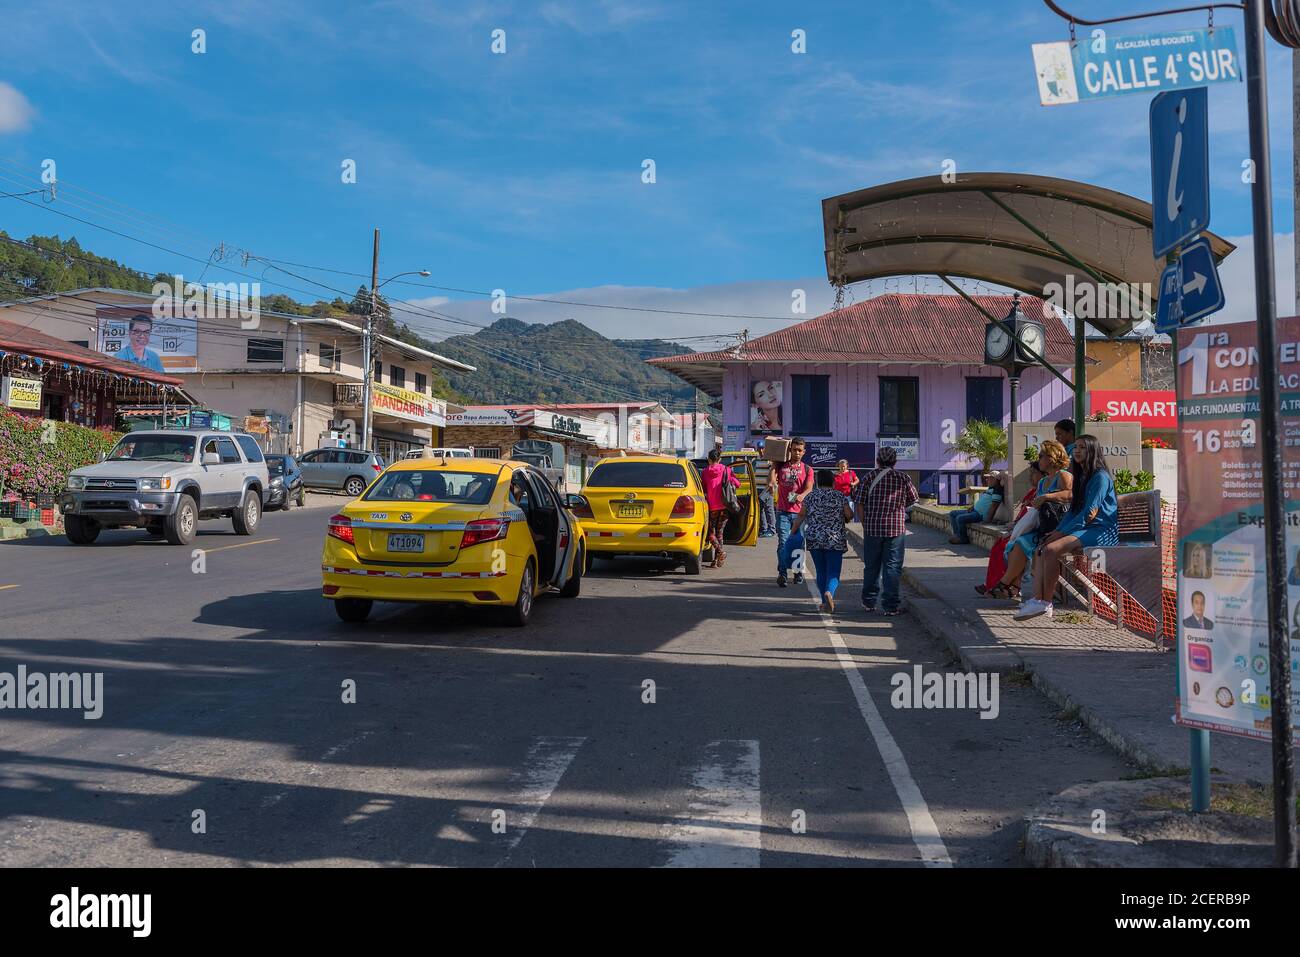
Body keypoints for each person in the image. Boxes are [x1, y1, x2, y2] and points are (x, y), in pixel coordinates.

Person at [1015, 434, 1118, 621]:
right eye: (1076, 447)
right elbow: (1073, 511)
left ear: (1093, 451)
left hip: (1101, 530)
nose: (1077, 451)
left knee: (1052, 549)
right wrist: (1057, 531)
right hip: (1085, 528)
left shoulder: (1100, 477)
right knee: (1041, 548)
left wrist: (1062, 533)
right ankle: (1038, 600)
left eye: (1083, 447)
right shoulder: (1082, 477)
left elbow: (1090, 512)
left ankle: (1046, 603)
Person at [987, 441, 1073, 599]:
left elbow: (1070, 494)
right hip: (1043, 526)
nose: (1039, 460)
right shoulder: (1042, 482)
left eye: (1041, 456)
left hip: (1060, 527)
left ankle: (1005, 584)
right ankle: (1010, 585)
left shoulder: (1063, 475)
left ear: (1051, 457)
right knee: (1017, 544)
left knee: (1023, 545)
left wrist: (1047, 497)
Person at [855, 445, 919, 616]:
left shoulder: (869, 477)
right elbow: (913, 499)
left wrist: (864, 523)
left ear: (877, 460)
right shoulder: (903, 478)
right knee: (892, 567)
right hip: (895, 529)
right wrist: (898, 507)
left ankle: (868, 602)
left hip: (872, 528)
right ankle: (890, 606)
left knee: (871, 566)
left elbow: (859, 503)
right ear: (895, 461)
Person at [791, 469, 854, 612]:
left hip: (814, 538)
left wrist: (793, 532)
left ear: (817, 483)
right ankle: (829, 593)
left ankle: (824, 601)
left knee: (820, 570)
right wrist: (846, 517)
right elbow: (849, 514)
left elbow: (800, 516)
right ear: (833, 482)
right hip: (835, 539)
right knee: (833, 572)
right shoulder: (840, 496)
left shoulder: (810, 497)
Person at [977, 462, 1043, 595]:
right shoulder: (1032, 491)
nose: (1030, 477)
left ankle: (1008, 585)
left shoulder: (1043, 493)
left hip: (1032, 531)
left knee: (1008, 546)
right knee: (1000, 545)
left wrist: (1015, 528)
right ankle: (994, 584)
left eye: (1033, 473)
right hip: (1022, 529)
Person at [774, 437, 814, 587]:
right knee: (783, 543)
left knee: (797, 544)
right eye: (794, 449)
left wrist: (801, 496)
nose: (796, 452)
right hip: (783, 511)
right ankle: (782, 573)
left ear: (804, 452)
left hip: (800, 514)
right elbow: (772, 476)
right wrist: (772, 480)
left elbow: (809, 488)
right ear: (790, 450)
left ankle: (797, 573)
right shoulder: (781, 465)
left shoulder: (808, 469)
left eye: (799, 450)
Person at [700, 448, 740, 568]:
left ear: (709, 459)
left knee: (710, 533)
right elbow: (738, 484)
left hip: (712, 507)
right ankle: (719, 557)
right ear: (720, 459)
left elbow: (703, 488)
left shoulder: (705, 472)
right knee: (720, 533)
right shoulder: (726, 470)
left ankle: (719, 556)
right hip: (725, 505)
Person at [948, 475, 1003, 545]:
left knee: (960, 518)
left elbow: (994, 506)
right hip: (974, 511)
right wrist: (973, 507)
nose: (988, 480)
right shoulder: (989, 489)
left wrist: (987, 520)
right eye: (988, 478)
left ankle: (963, 538)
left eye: (991, 478)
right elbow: (982, 501)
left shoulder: (997, 491)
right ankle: (957, 535)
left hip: (979, 514)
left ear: (996, 480)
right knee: (953, 513)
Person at [754, 450, 776, 537]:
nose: (761, 451)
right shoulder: (757, 459)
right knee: (760, 510)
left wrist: (771, 487)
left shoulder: (769, 460)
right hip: (758, 489)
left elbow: (773, 474)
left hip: (766, 489)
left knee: (769, 509)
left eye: (762, 449)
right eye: (759, 449)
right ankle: (763, 529)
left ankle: (771, 529)